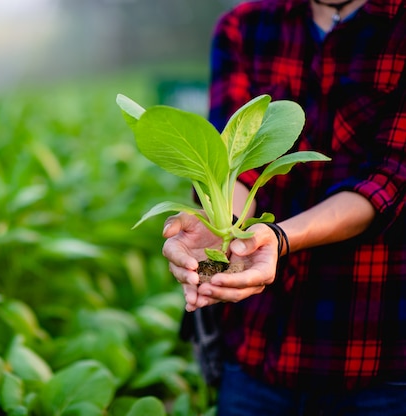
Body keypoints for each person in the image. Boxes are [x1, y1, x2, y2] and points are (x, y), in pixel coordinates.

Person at [162, 0, 406, 414]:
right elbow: (230, 166)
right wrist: (223, 234)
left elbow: (389, 179)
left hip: (375, 356)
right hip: (256, 351)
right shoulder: (244, 26)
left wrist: (279, 237)